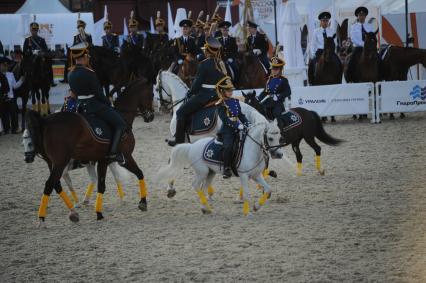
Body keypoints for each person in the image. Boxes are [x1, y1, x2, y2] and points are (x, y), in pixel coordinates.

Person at [67, 43, 127, 164]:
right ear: (83, 57)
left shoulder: (70, 73)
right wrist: (108, 102)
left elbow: (74, 93)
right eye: (87, 56)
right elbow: (98, 94)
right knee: (121, 124)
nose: (88, 58)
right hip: (93, 106)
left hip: (80, 106)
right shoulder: (89, 73)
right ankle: (113, 153)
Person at [168, 37, 227, 146]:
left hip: (205, 96)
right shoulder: (221, 63)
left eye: (205, 49)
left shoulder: (203, 64)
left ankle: (179, 141)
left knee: (180, 112)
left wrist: (190, 93)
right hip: (218, 95)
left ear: (208, 51)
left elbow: (197, 84)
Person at [216, 76, 249, 178]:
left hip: (238, 128)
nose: (230, 92)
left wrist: (247, 123)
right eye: (227, 90)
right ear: (222, 91)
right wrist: (237, 125)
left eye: (231, 90)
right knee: (228, 146)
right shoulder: (220, 104)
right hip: (227, 130)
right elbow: (225, 120)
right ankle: (226, 168)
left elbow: (241, 115)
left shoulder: (235, 101)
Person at [257, 57, 291, 136]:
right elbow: (265, 92)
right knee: (260, 110)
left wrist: (278, 96)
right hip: (269, 101)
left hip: (278, 102)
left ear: (280, 69)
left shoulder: (283, 80)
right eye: (273, 69)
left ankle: (282, 133)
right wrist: (258, 98)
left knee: (276, 113)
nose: (274, 71)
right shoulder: (270, 79)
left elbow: (288, 92)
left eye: (276, 69)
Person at [23, 20, 56, 87]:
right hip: (31, 58)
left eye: (35, 30)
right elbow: (24, 51)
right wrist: (31, 52)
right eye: (33, 30)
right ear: (31, 30)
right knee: (24, 67)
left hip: (40, 57)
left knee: (48, 64)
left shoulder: (42, 40)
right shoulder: (27, 40)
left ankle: (51, 80)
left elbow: (46, 50)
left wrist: (42, 53)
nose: (34, 31)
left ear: (37, 30)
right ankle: (24, 81)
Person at [346, 6, 375, 80]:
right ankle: (349, 77)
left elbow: (372, 37)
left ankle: (381, 75)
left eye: (363, 15)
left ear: (365, 16)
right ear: (357, 16)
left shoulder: (370, 26)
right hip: (358, 48)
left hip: (369, 48)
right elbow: (353, 39)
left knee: (378, 58)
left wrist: (369, 45)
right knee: (351, 61)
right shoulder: (353, 27)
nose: (362, 17)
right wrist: (364, 44)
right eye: (360, 15)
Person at [308, 11, 336, 84]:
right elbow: (312, 44)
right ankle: (311, 80)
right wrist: (313, 54)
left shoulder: (331, 31)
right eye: (323, 20)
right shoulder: (316, 31)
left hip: (330, 52)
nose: (325, 22)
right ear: (320, 21)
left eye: (326, 21)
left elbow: (334, 43)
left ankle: (338, 78)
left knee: (338, 62)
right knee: (312, 63)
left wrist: (334, 52)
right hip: (320, 51)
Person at [0, 57, 24, 134]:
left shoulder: (10, 74)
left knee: (14, 114)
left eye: (6, 65)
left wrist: (21, 80)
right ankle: (6, 129)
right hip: (2, 98)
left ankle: (15, 129)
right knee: (4, 115)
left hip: (11, 97)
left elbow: (14, 86)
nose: (5, 67)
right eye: (4, 65)